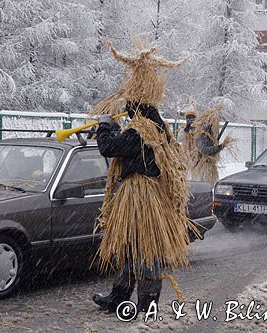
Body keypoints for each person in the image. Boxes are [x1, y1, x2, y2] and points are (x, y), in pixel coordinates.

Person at [91, 40, 198, 314]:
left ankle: (146, 302)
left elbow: (110, 148)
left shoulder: (141, 130)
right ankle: (122, 297)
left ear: (136, 107)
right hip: (146, 195)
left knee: (144, 249)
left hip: (141, 195)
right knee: (130, 247)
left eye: (129, 106)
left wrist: (105, 127)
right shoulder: (158, 127)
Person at [191, 105, 232, 187]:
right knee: (204, 187)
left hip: (209, 167)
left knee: (209, 187)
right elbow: (204, 150)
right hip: (203, 167)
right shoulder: (201, 136)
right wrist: (220, 147)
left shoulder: (210, 137)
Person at [177, 101, 198, 175]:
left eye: (192, 118)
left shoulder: (199, 129)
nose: (190, 120)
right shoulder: (183, 128)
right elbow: (179, 139)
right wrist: (186, 129)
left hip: (195, 155)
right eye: (188, 118)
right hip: (185, 155)